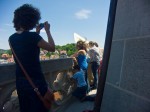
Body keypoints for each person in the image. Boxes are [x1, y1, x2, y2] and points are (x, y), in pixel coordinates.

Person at [8, 4, 55, 112]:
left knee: (26, 108)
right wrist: (47, 30)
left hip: (20, 81)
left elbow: (26, 47)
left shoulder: (11, 38)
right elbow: (52, 48)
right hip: (36, 80)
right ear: (31, 20)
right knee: (40, 108)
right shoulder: (33, 37)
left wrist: (37, 32)